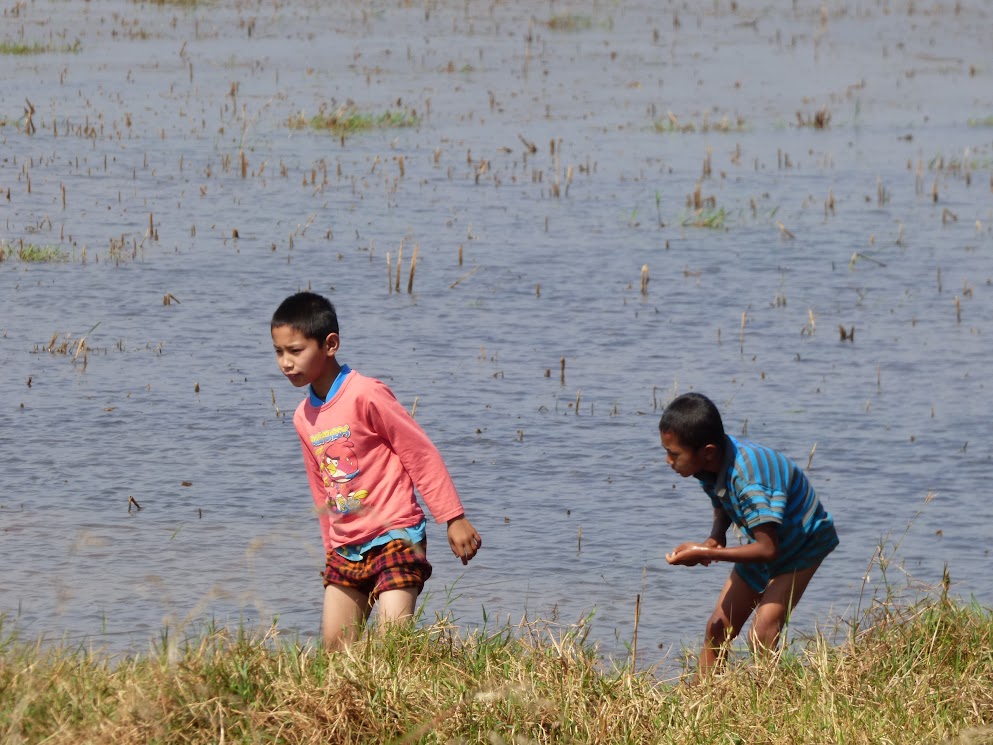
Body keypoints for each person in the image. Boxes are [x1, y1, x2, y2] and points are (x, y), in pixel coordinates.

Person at [270, 291, 482, 649]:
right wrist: (329, 547)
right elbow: (321, 487)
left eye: (295, 351)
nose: (286, 363)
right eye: (279, 352)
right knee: (337, 652)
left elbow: (420, 453)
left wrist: (453, 517)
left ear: (330, 344)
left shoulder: (366, 394)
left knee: (391, 647)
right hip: (346, 546)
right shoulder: (302, 417)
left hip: (395, 534)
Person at [659, 392, 837, 682]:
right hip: (766, 539)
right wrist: (715, 537)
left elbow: (767, 550)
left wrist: (706, 554)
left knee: (762, 633)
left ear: (707, 451)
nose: (668, 460)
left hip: (802, 542)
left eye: (674, 454)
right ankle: (700, 703)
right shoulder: (708, 467)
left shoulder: (748, 478)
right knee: (718, 628)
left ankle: (772, 707)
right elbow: (722, 502)